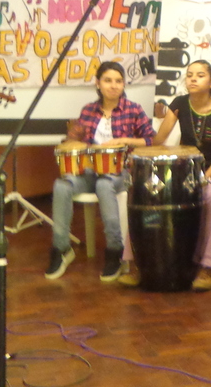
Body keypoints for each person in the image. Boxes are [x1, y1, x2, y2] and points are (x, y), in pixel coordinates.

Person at [45, 61, 154, 283]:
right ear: (98, 83)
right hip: (89, 172)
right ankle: (61, 248)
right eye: (108, 80)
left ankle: (115, 251)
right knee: (61, 185)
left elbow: (151, 140)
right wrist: (71, 141)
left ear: (123, 84)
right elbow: (74, 139)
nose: (113, 85)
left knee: (105, 184)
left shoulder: (133, 109)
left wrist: (125, 140)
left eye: (118, 81)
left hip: (121, 172)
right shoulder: (88, 110)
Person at [153, 60, 211, 292]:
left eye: (199, 75)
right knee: (152, 193)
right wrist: (157, 123)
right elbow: (159, 140)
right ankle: (143, 263)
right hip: (185, 171)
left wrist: (202, 179)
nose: (192, 79)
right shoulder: (179, 104)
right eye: (189, 75)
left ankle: (208, 267)